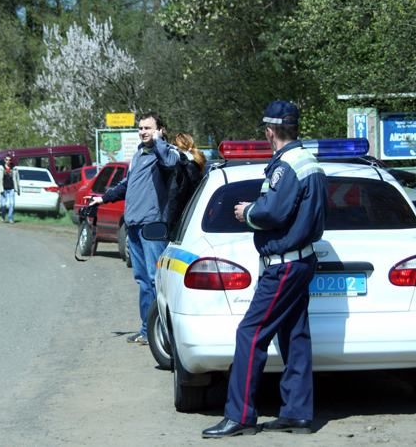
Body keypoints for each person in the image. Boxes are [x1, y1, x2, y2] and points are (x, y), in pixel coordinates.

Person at [202, 100, 327, 438]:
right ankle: (297, 413)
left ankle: (240, 416)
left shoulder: (286, 166)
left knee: (250, 333)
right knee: (294, 335)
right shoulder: (311, 162)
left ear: (270, 131)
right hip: (302, 261)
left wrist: (248, 212)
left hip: (283, 265)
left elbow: (272, 212)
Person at [89, 112, 180, 345]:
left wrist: (159, 141)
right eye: (140, 128)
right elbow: (126, 184)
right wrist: (103, 198)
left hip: (153, 226)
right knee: (142, 280)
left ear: (160, 130)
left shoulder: (166, 152)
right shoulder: (139, 154)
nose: (143, 132)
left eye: (148, 128)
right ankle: (146, 329)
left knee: (155, 280)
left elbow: (170, 164)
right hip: (134, 225)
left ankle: (162, 333)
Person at [166, 133, 206, 239]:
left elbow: (175, 198)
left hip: (183, 221)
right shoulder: (197, 165)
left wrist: (170, 226)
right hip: (197, 217)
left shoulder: (183, 167)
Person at [0, 155, 21, 223]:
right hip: (3, 189)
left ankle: (10, 218)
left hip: (11, 188)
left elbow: (17, 179)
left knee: (12, 204)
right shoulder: (0, 168)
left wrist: (18, 189)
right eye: (7, 160)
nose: (8, 161)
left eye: (9, 160)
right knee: (3, 205)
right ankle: (3, 216)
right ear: (4, 160)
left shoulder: (14, 168)